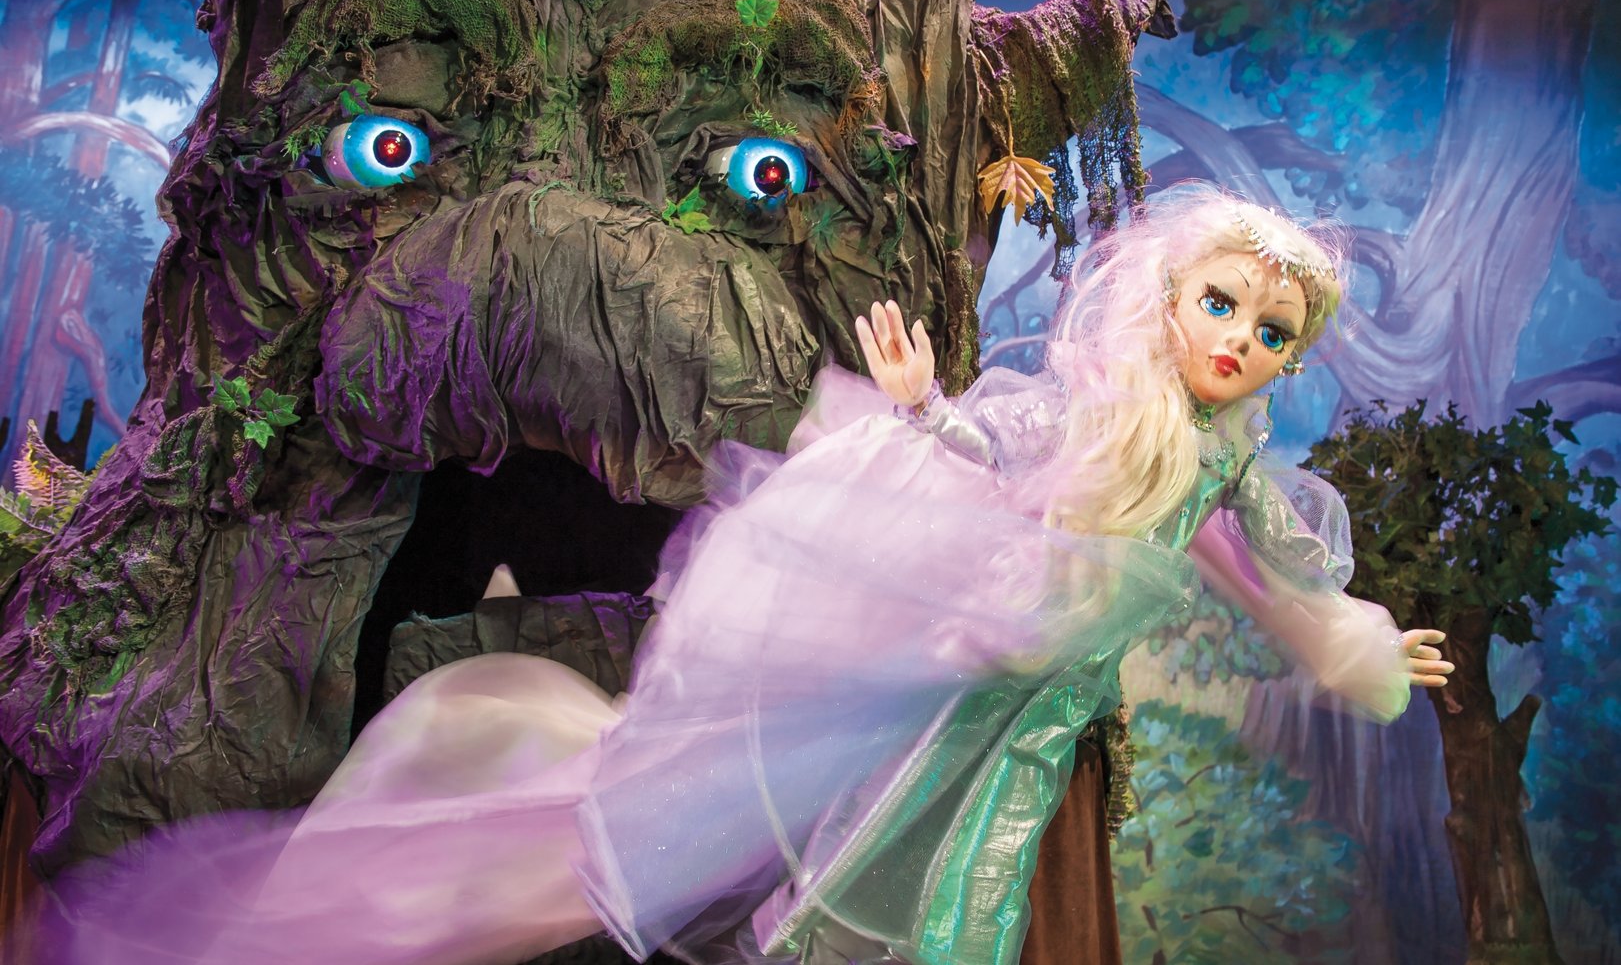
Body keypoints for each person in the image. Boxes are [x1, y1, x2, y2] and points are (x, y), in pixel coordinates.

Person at [39, 186, 1450, 965]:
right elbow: (988, 449)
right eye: (1220, 304)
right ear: (1169, 299)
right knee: (794, 876)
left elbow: (1285, 577)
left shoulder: (1221, 464)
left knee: (957, 913)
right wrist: (915, 410)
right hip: (954, 696)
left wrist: (1365, 645)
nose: (1236, 340)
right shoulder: (1095, 415)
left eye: (1269, 333)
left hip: (1022, 735)